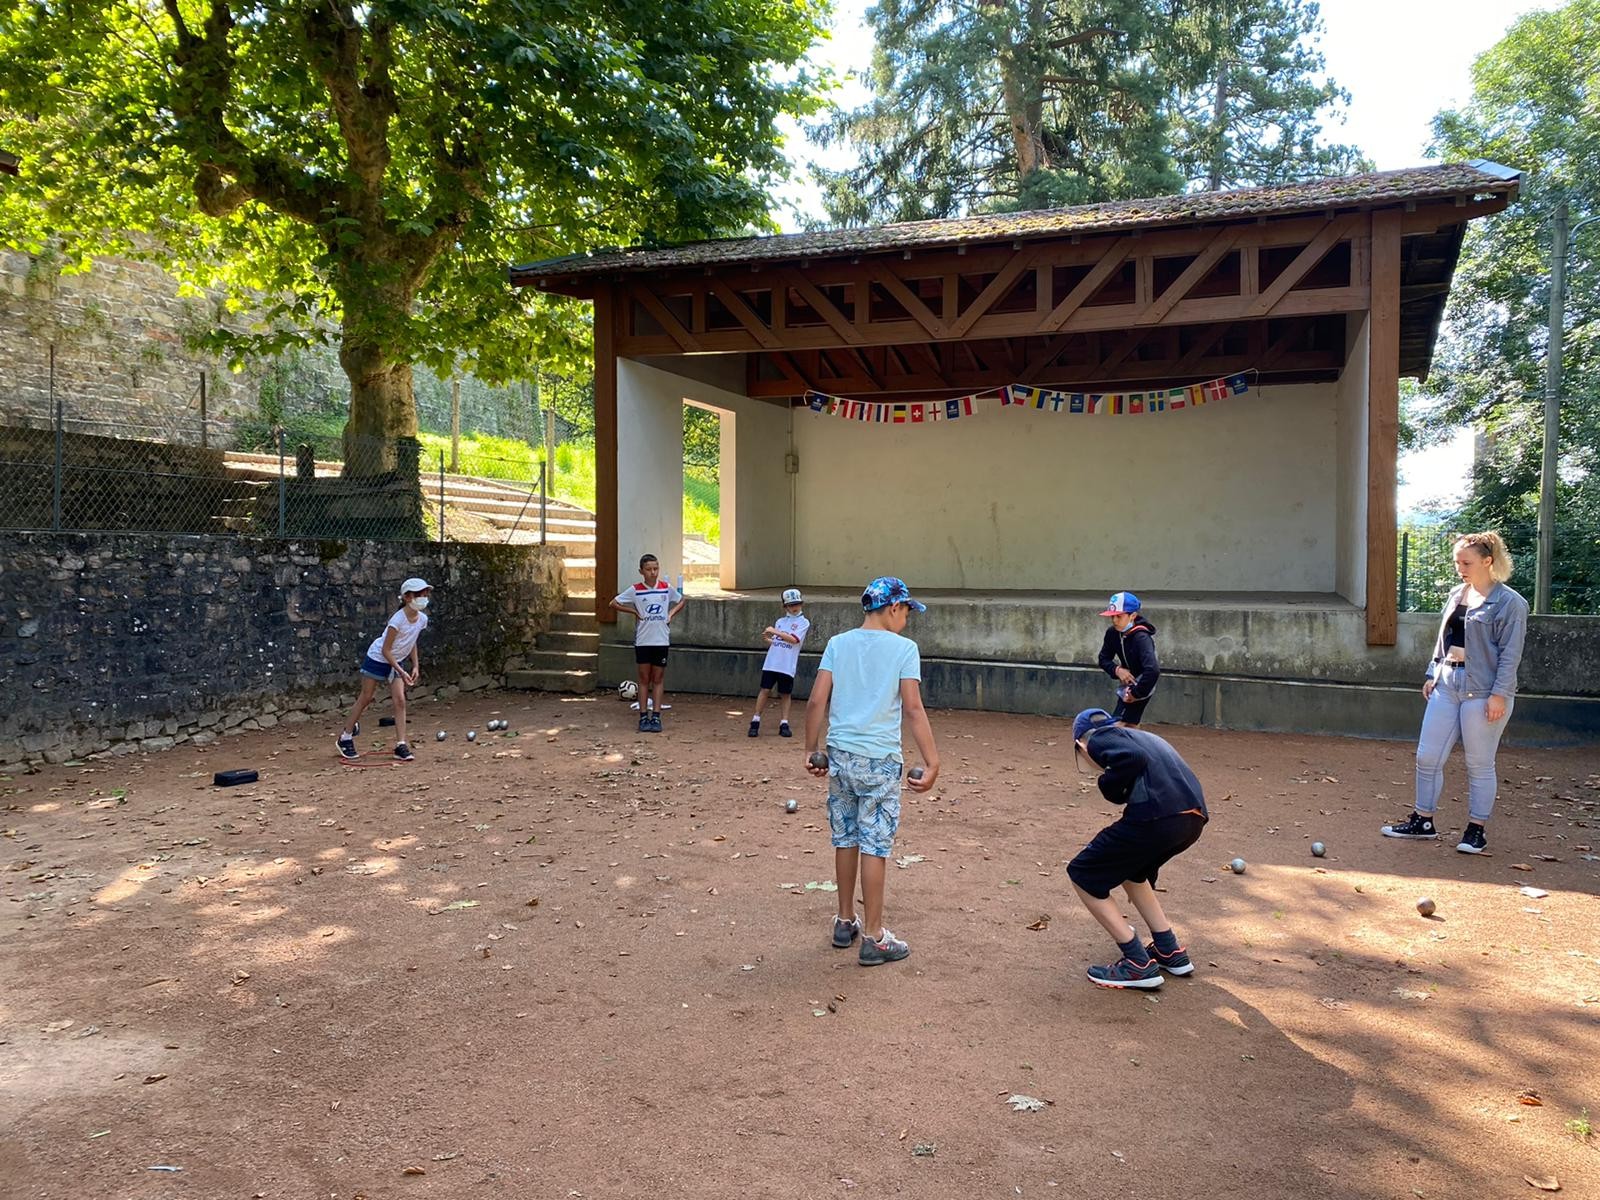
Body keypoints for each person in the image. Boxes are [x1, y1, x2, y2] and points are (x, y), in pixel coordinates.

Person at [804, 576, 939, 966]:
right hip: (879, 759)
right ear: (894, 607)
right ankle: (876, 936)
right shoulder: (904, 649)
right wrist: (932, 761)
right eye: (907, 611)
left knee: (845, 838)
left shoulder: (837, 643)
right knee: (874, 845)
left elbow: (816, 701)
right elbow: (913, 709)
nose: (908, 620)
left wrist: (811, 749)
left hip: (840, 755)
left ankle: (845, 919)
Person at [1382, 530, 1528, 855]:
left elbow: (1510, 654)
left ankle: (1476, 830)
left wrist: (1500, 695)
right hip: (1447, 684)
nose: (1460, 568)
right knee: (1427, 756)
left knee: (1479, 763)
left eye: (1466, 562)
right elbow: (1443, 637)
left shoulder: (1510, 603)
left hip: (1484, 690)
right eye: (1457, 562)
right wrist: (1433, 672)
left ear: (1488, 561)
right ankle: (1422, 821)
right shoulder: (1457, 594)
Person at [1066, 708, 1208, 990]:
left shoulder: (1098, 739)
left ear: (1080, 745)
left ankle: (1137, 963)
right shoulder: (1143, 736)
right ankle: (1169, 950)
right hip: (1192, 818)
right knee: (1133, 873)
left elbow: (1131, 760)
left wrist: (1107, 783)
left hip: (1158, 817)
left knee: (1082, 872)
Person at [338, 578, 431, 762]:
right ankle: (345, 737)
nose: (423, 597)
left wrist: (415, 666)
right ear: (407, 597)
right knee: (366, 697)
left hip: (396, 661)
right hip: (378, 658)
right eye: (419, 594)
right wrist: (400, 670)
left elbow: (412, 641)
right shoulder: (397, 620)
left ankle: (401, 745)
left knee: (400, 701)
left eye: (425, 594)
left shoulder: (422, 619)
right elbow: (385, 650)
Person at [611, 554, 684, 734]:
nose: (653, 573)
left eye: (656, 569)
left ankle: (656, 716)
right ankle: (643, 716)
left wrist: (671, 614)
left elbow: (681, 600)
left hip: (661, 640)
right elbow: (614, 602)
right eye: (649, 569)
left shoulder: (665, 588)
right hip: (643, 641)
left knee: (658, 678)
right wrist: (633, 611)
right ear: (641, 571)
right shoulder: (636, 590)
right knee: (644, 678)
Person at [749, 588, 810, 738]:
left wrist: (775, 632)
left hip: (787, 665)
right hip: (772, 662)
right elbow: (780, 642)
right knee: (764, 689)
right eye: (791, 605)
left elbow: (794, 640)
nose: (794, 607)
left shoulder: (803, 622)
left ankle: (784, 722)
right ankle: (755, 720)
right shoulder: (780, 622)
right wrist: (769, 640)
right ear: (785, 607)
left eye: (797, 604)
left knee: (785, 693)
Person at [1096, 591, 1159, 726]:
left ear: (1133, 616)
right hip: (1127, 685)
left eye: (1119, 616)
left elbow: (1152, 670)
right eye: (1112, 616)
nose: (1114, 620)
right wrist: (1117, 670)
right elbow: (1103, 658)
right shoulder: (1112, 633)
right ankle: (1136, 745)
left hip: (1142, 683)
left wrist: (1136, 693)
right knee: (1129, 724)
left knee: (1117, 725)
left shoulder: (1141, 637)